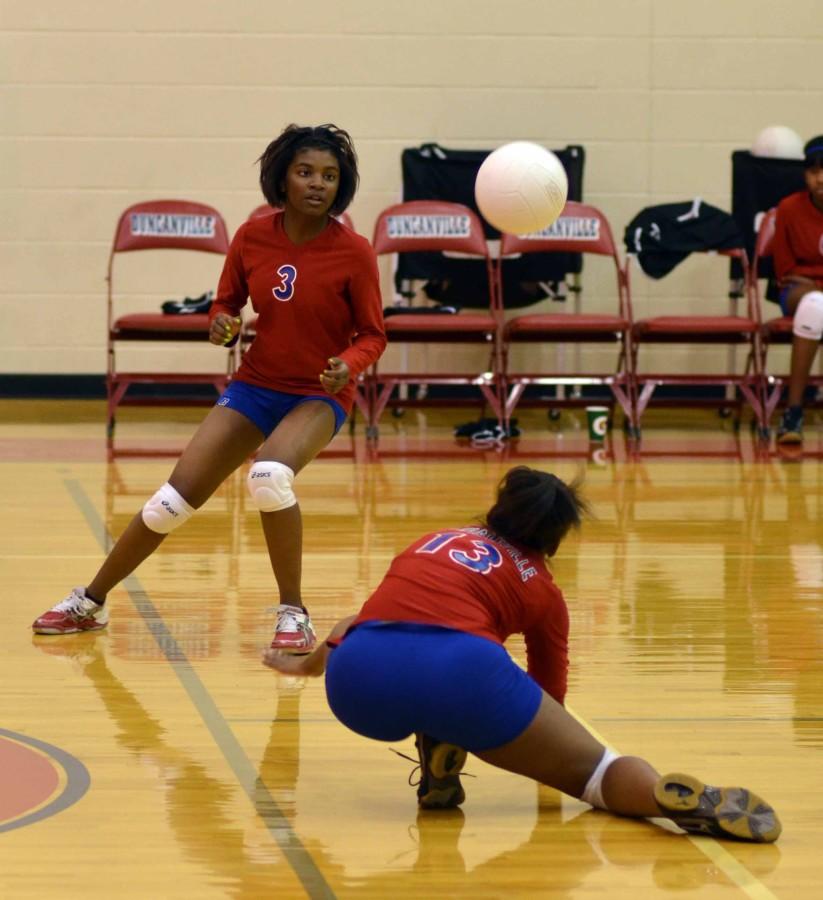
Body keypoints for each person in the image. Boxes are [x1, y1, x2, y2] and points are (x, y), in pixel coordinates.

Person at [263, 466, 781, 843]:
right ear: (553, 541)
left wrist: (304, 666)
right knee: (597, 773)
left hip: (359, 675)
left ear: (495, 511)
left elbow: (354, 624)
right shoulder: (544, 592)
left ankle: (439, 756)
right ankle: (660, 796)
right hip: (464, 671)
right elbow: (549, 693)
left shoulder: (433, 540)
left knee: (426, 681)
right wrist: (551, 759)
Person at [33, 124, 387, 653]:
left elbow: (373, 334)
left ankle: (294, 613)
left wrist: (348, 365)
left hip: (317, 395)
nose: (318, 184)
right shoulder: (251, 238)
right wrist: (220, 321)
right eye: (306, 172)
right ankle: (90, 601)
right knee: (170, 503)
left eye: (330, 176)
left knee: (269, 476)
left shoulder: (354, 252)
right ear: (283, 179)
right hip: (255, 386)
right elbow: (225, 304)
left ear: (342, 186)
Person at [773, 135, 823, 443]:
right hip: (795, 292)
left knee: (818, 306)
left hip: (811, 287)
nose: (820, 178)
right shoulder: (789, 208)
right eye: (813, 171)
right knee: (815, 304)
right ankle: (793, 412)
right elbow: (785, 270)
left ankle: (794, 414)